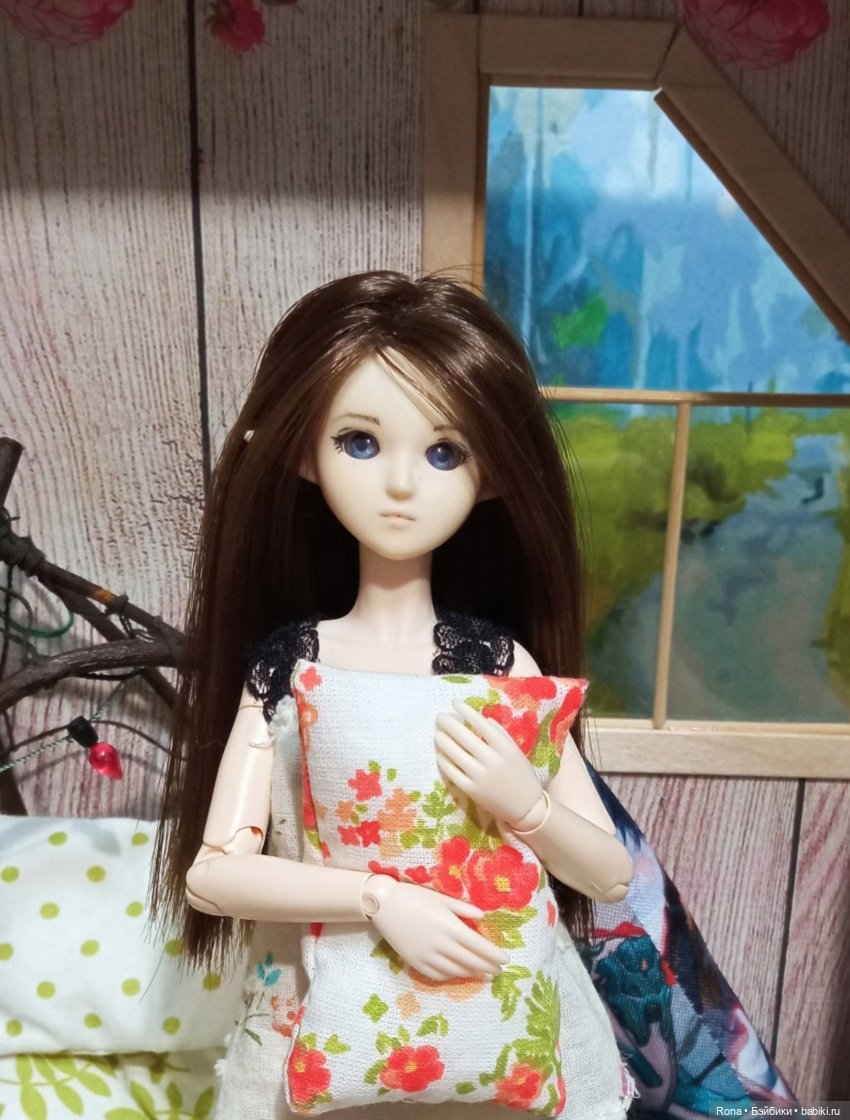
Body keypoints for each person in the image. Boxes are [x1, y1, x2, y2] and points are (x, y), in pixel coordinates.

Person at [151, 271, 792, 1119]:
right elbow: (212, 874)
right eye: (359, 442)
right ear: (302, 453)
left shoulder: (497, 664)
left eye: (444, 452)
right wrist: (380, 899)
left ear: (490, 475)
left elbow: (608, 875)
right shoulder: (289, 667)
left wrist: (527, 806)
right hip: (320, 1023)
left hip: (501, 1027)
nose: (402, 484)